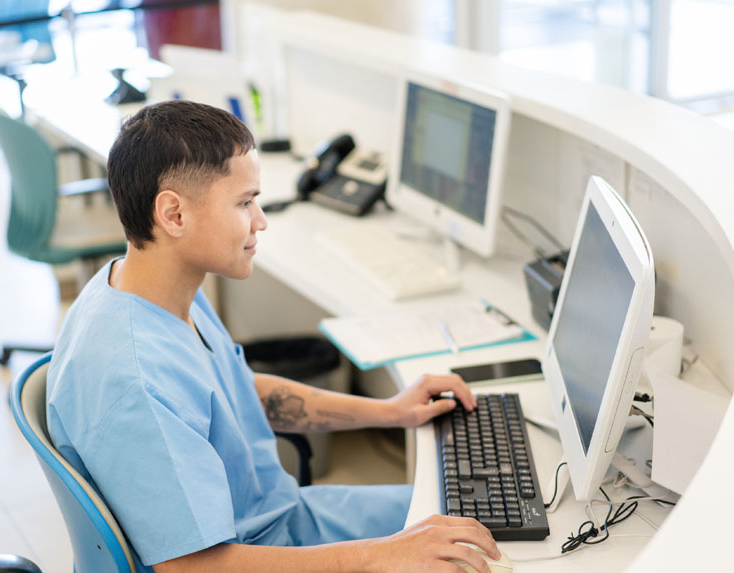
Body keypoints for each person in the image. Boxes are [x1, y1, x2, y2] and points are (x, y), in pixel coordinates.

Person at [47, 100, 501, 573]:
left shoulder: (148, 284)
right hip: (239, 558)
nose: (260, 221)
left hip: (280, 522)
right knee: (467, 554)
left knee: (475, 519)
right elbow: (191, 567)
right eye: (244, 203)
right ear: (174, 215)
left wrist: (389, 412)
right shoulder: (134, 378)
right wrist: (380, 556)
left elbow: (232, 393)